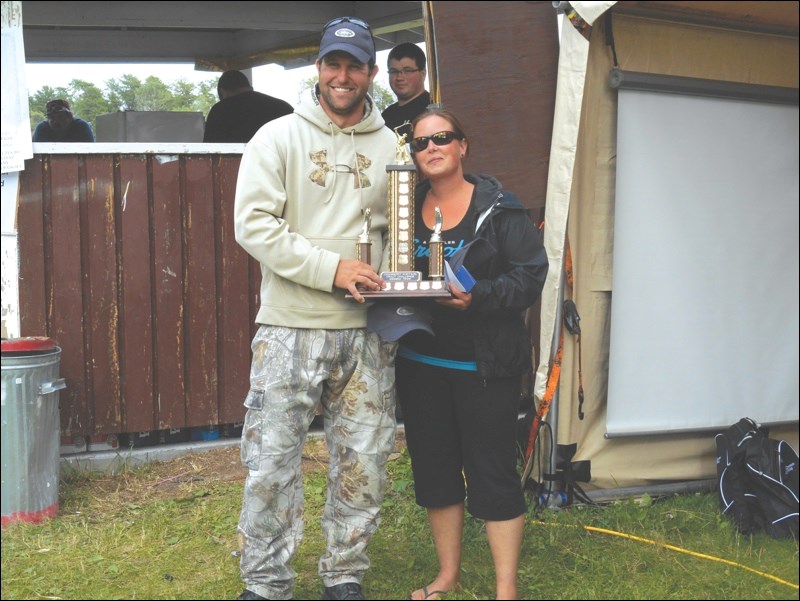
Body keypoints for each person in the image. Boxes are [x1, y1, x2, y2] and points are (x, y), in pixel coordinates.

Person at [232, 15, 398, 601]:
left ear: (371, 72)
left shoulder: (392, 146)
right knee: (272, 463)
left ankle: (345, 574)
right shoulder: (277, 137)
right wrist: (332, 270)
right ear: (319, 69)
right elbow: (253, 225)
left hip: (368, 332)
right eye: (334, 63)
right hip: (288, 327)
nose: (343, 76)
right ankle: (266, 581)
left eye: (355, 65)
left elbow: (398, 236)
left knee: (364, 462)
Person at [393, 107, 548, 601]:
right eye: (421, 143)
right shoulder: (402, 204)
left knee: (492, 471)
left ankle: (507, 589)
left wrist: (477, 295)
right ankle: (448, 574)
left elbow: (531, 275)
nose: (431, 148)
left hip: (484, 366)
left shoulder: (501, 208)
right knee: (435, 470)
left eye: (442, 138)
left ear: (463, 146)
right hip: (421, 364)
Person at [203, 70, 294, 142]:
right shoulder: (283, 107)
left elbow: (209, 153)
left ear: (223, 92)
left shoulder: (219, 111)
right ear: (248, 86)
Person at [381, 42, 430, 140]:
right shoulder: (385, 117)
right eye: (394, 71)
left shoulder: (433, 109)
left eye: (407, 71)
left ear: (423, 73)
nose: (399, 77)